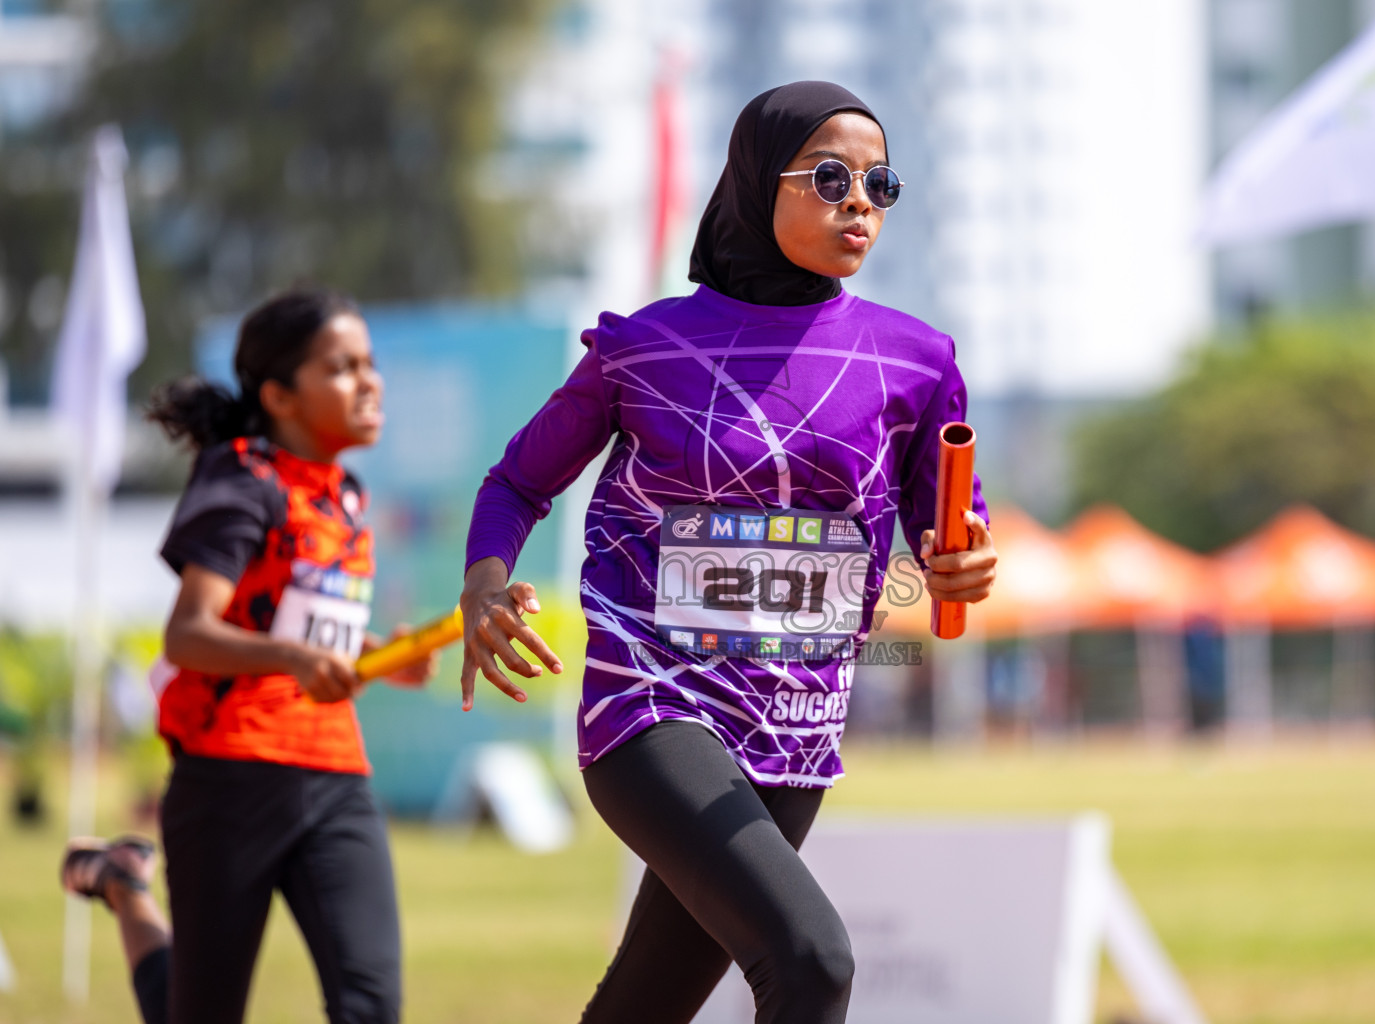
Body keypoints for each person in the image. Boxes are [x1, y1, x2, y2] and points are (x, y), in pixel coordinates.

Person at [459, 81, 997, 1024]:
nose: (860, 203)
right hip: (650, 706)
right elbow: (516, 484)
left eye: (881, 184)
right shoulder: (646, 348)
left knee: (647, 1003)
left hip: (797, 722)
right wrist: (485, 584)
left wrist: (964, 564)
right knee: (812, 960)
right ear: (757, 181)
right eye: (831, 178)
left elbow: (950, 529)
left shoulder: (919, 360)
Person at [60, 288, 437, 1024]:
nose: (369, 381)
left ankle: (120, 880)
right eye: (342, 367)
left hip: (335, 776)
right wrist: (294, 660)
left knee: (372, 1008)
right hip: (230, 774)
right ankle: (123, 886)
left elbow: (290, 623)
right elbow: (191, 632)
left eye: (371, 363)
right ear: (280, 396)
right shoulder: (243, 480)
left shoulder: (348, 496)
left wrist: (376, 656)